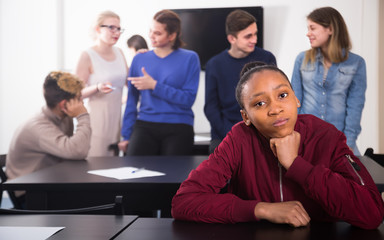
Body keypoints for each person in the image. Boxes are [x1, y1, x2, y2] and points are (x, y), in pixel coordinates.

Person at [171, 62, 384, 229]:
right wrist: (261, 209)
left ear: (296, 99)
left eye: (282, 95)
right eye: (259, 104)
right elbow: (184, 202)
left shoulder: (325, 135)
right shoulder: (239, 138)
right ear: (245, 116)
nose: (275, 109)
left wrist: (296, 165)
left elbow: (372, 213)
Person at [118, 10, 200, 156]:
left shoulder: (190, 58)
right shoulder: (139, 59)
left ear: (172, 36)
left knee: (173, 176)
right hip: (145, 124)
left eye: (157, 33)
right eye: (150, 31)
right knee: (133, 172)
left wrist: (155, 85)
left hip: (179, 125)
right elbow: (132, 100)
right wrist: (126, 135)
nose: (151, 36)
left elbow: (188, 99)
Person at [291, 7, 366, 156]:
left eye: (313, 28)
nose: (308, 33)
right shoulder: (302, 59)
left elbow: (355, 106)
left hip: (339, 139)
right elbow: (295, 101)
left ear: (330, 29)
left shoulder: (356, 63)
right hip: (306, 138)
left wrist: (349, 142)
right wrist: (294, 135)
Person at [6, 71, 91, 200]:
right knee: (91, 199)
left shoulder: (63, 118)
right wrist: (82, 115)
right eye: (79, 99)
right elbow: (77, 151)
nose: (82, 104)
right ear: (63, 104)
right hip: (30, 193)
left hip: (48, 183)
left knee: (91, 195)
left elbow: (74, 152)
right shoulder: (39, 127)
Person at [204, 9, 276, 154]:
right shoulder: (214, 64)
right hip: (224, 135)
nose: (254, 40)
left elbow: (271, 100)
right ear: (232, 39)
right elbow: (211, 107)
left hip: (260, 132)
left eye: (255, 34)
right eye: (248, 36)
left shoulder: (267, 58)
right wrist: (233, 134)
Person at [75, 10, 128, 157]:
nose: (116, 32)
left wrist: (143, 56)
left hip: (116, 121)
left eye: (119, 29)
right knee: (96, 166)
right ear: (98, 29)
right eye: (111, 27)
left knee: (114, 167)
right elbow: (75, 94)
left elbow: (129, 82)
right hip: (96, 122)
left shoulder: (120, 52)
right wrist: (97, 88)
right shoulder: (87, 55)